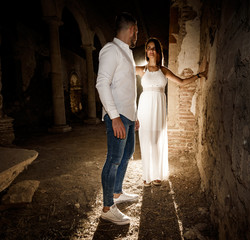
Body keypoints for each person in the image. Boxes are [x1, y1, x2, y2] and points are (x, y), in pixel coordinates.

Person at [136, 37, 207, 187]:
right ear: (146, 52)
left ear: (158, 52)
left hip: (159, 107)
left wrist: (199, 75)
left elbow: (181, 82)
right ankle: (146, 174)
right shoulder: (142, 69)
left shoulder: (163, 70)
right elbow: (123, 70)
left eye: (154, 48)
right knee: (146, 139)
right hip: (145, 107)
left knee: (156, 140)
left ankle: (156, 174)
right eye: (149, 48)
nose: (151, 50)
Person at [96, 12, 140, 225]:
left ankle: (117, 193)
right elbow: (102, 84)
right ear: (131, 29)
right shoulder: (111, 50)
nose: (136, 35)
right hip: (117, 116)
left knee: (127, 154)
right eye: (136, 31)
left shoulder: (126, 53)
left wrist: (135, 116)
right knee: (114, 159)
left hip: (128, 116)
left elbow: (128, 88)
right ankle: (107, 207)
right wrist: (114, 117)